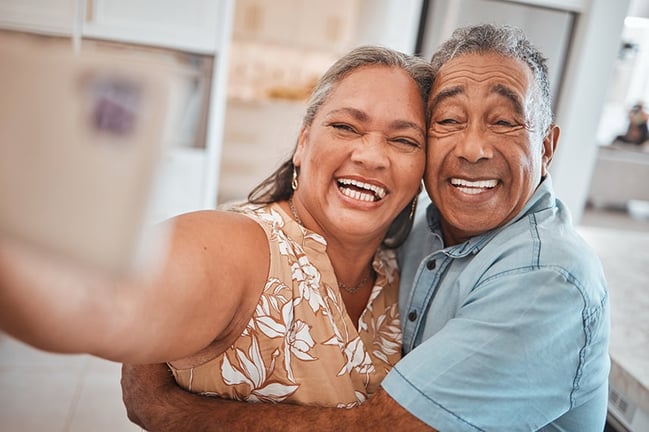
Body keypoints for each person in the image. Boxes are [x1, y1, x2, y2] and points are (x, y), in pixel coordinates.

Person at [120, 24, 610, 431]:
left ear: (546, 147)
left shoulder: (543, 277)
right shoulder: (411, 238)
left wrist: (167, 409)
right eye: (449, 121)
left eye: (505, 122)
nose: (472, 148)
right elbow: (149, 277)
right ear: (303, 140)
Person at [0, 46, 433, 407]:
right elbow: (101, 302)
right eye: (345, 126)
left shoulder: (404, 274)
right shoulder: (245, 247)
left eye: (404, 140)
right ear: (303, 143)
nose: (372, 156)